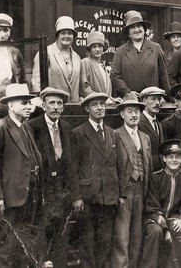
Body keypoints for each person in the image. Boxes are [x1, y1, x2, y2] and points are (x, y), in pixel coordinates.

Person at [0, 84, 43, 267]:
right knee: (5, 248)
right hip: (8, 199)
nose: (29, 107)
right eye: (24, 103)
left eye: (30, 103)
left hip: (27, 198)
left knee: (22, 246)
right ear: (10, 106)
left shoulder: (27, 129)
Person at [71, 92, 124, 267]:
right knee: (87, 242)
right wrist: (77, 197)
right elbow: (73, 168)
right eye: (95, 105)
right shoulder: (78, 133)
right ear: (87, 108)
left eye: (102, 104)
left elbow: (119, 166)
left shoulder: (112, 134)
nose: (100, 108)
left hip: (108, 197)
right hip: (88, 197)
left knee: (105, 241)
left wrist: (120, 194)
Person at [27, 87, 78, 267]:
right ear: (43, 105)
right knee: (41, 236)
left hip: (61, 192)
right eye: (52, 103)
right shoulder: (33, 127)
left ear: (63, 107)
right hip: (42, 192)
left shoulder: (66, 128)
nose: (56, 107)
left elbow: (71, 164)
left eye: (59, 103)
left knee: (61, 237)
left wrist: (75, 195)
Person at [141, 139, 181, 268]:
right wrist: (165, 229)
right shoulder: (155, 178)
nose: (174, 160)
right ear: (164, 159)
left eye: (178, 157)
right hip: (154, 219)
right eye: (170, 157)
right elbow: (152, 208)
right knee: (155, 232)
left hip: (174, 218)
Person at [111, 93, 153, 268]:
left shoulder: (145, 137)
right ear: (122, 114)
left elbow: (147, 165)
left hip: (140, 189)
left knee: (136, 235)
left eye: (137, 111)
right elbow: (113, 167)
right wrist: (119, 194)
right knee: (122, 237)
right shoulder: (115, 135)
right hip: (124, 192)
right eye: (130, 111)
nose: (134, 115)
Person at [111, 10, 170, 98]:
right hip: (131, 100)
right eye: (132, 27)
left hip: (152, 99)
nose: (136, 30)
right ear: (128, 32)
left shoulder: (156, 48)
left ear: (144, 29)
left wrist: (167, 97)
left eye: (139, 26)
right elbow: (115, 76)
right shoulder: (121, 51)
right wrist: (127, 92)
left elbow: (163, 77)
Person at [32, 16, 81, 102]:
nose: (66, 36)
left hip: (73, 107)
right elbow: (37, 81)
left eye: (69, 33)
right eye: (63, 33)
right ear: (57, 35)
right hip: (53, 105)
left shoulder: (77, 57)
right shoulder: (46, 52)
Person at [80, 31, 119, 103]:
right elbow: (85, 88)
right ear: (90, 49)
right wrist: (102, 99)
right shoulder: (86, 62)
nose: (97, 49)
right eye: (94, 47)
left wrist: (112, 99)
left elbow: (104, 90)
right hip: (92, 104)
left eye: (100, 46)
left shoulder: (102, 65)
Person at [138, 86, 167, 171]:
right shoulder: (138, 122)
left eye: (159, 99)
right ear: (144, 101)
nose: (157, 103)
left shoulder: (158, 123)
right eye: (153, 99)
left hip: (159, 172)